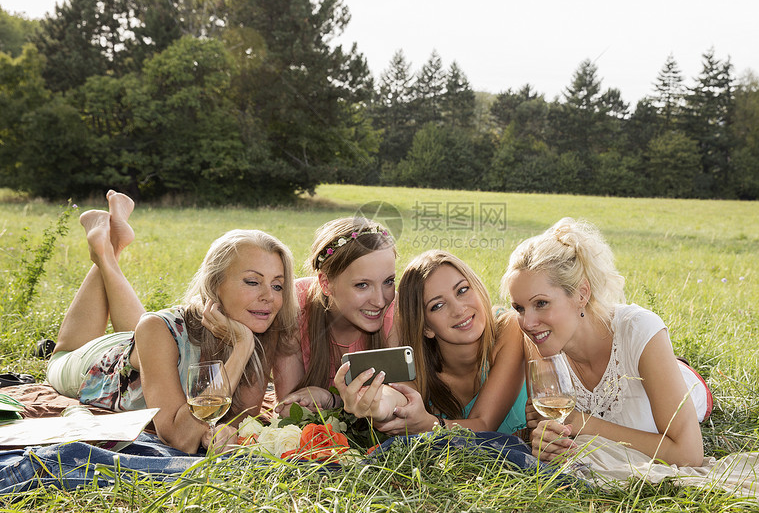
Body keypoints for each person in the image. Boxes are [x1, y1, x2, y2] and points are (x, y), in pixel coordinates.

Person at [46, 190, 298, 454]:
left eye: (278, 286)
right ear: (214, 283)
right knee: (63, 353)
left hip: (147, 344)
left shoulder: (261, 324)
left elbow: (240, 416)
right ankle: (105, 250)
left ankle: (111, 243)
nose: (269, 297)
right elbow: (181, 439)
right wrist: (242, 346)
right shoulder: (162, 328)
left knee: (147, 329)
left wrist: (216, 429)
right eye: (252, 281)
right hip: (99, 364)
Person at [501, 218, 710, 467]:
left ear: (581, 294)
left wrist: (584, 424)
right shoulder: (540, 340)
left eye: (541, 303)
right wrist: (545, 440)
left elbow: (689, 455)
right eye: (519, 308)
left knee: (670, 370)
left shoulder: (640, 329)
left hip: (688, 383)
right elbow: (545, 425)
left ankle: (677, 364)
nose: (527, 322)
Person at [335, 250, 527, 435]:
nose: (459, 309)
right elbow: (395, 397)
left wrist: (429, 424)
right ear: (426, 327)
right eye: (438, 305)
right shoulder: (421, 371)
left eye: (462, 290)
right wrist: (377, 404)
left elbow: (485, 424)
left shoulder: (509, 328)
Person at [273, 216, 398, 412]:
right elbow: (288, 410)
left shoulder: (395, 314)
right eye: (362, 285)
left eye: (388, 281)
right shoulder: (296, 306)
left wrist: (332, 401)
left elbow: (398, 407)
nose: (380, 301)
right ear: (325, 283)